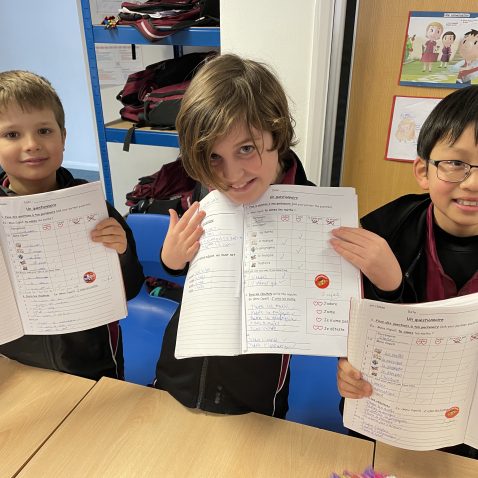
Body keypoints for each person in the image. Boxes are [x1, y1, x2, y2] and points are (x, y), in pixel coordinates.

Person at [154, 53, 315, 417]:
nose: (232, 175)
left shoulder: (311, 209)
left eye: (246, 149)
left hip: (255, 387)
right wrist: (172, 258)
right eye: (213, 157)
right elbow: (185, 268)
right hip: (181, 369)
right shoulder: (205, 195)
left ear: (278, 135)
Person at [331, 85, 478, 459]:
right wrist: (344, 363)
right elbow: (336, 317)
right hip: (387, 422)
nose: (472, 183)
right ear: (423, 171)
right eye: (456, 163)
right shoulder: (383, 231)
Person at [0, 70, 144, 380]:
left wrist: (120, 251)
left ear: (63, 137)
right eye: (12, 134)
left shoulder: (92, 209)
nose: (32, 144)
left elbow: (131, 287)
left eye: (44, 130)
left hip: (91, 363)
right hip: (16, 364)